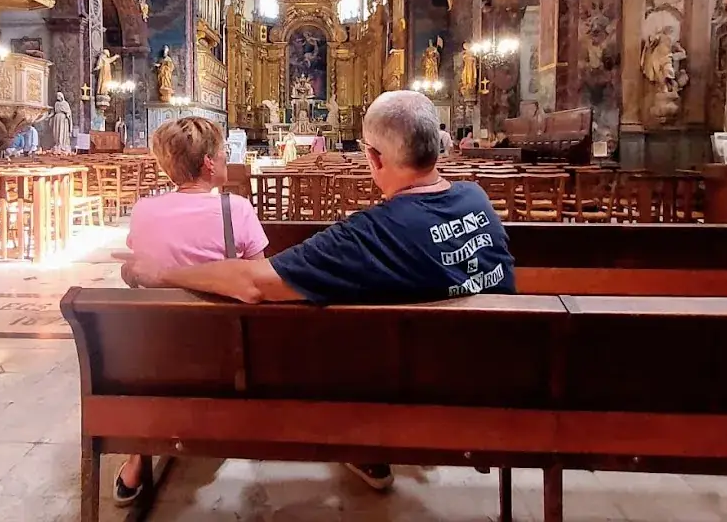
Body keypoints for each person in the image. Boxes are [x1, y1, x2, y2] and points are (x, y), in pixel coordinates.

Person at [126, 91, 515, 491]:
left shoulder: (369, 234)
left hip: (416, 389)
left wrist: (167, 273)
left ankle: (361, 441)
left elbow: (252, 283)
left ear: (375, 158)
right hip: (497, 377)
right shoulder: (476, 199)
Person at [114, 116, 268, 505]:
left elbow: (141, 264)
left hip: (156, 357)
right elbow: (260, 278)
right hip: (224, 351)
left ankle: (139, 454)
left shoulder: (144, 210)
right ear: (208, 165)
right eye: (222, 152)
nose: (225, 156)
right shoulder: (237, 209)